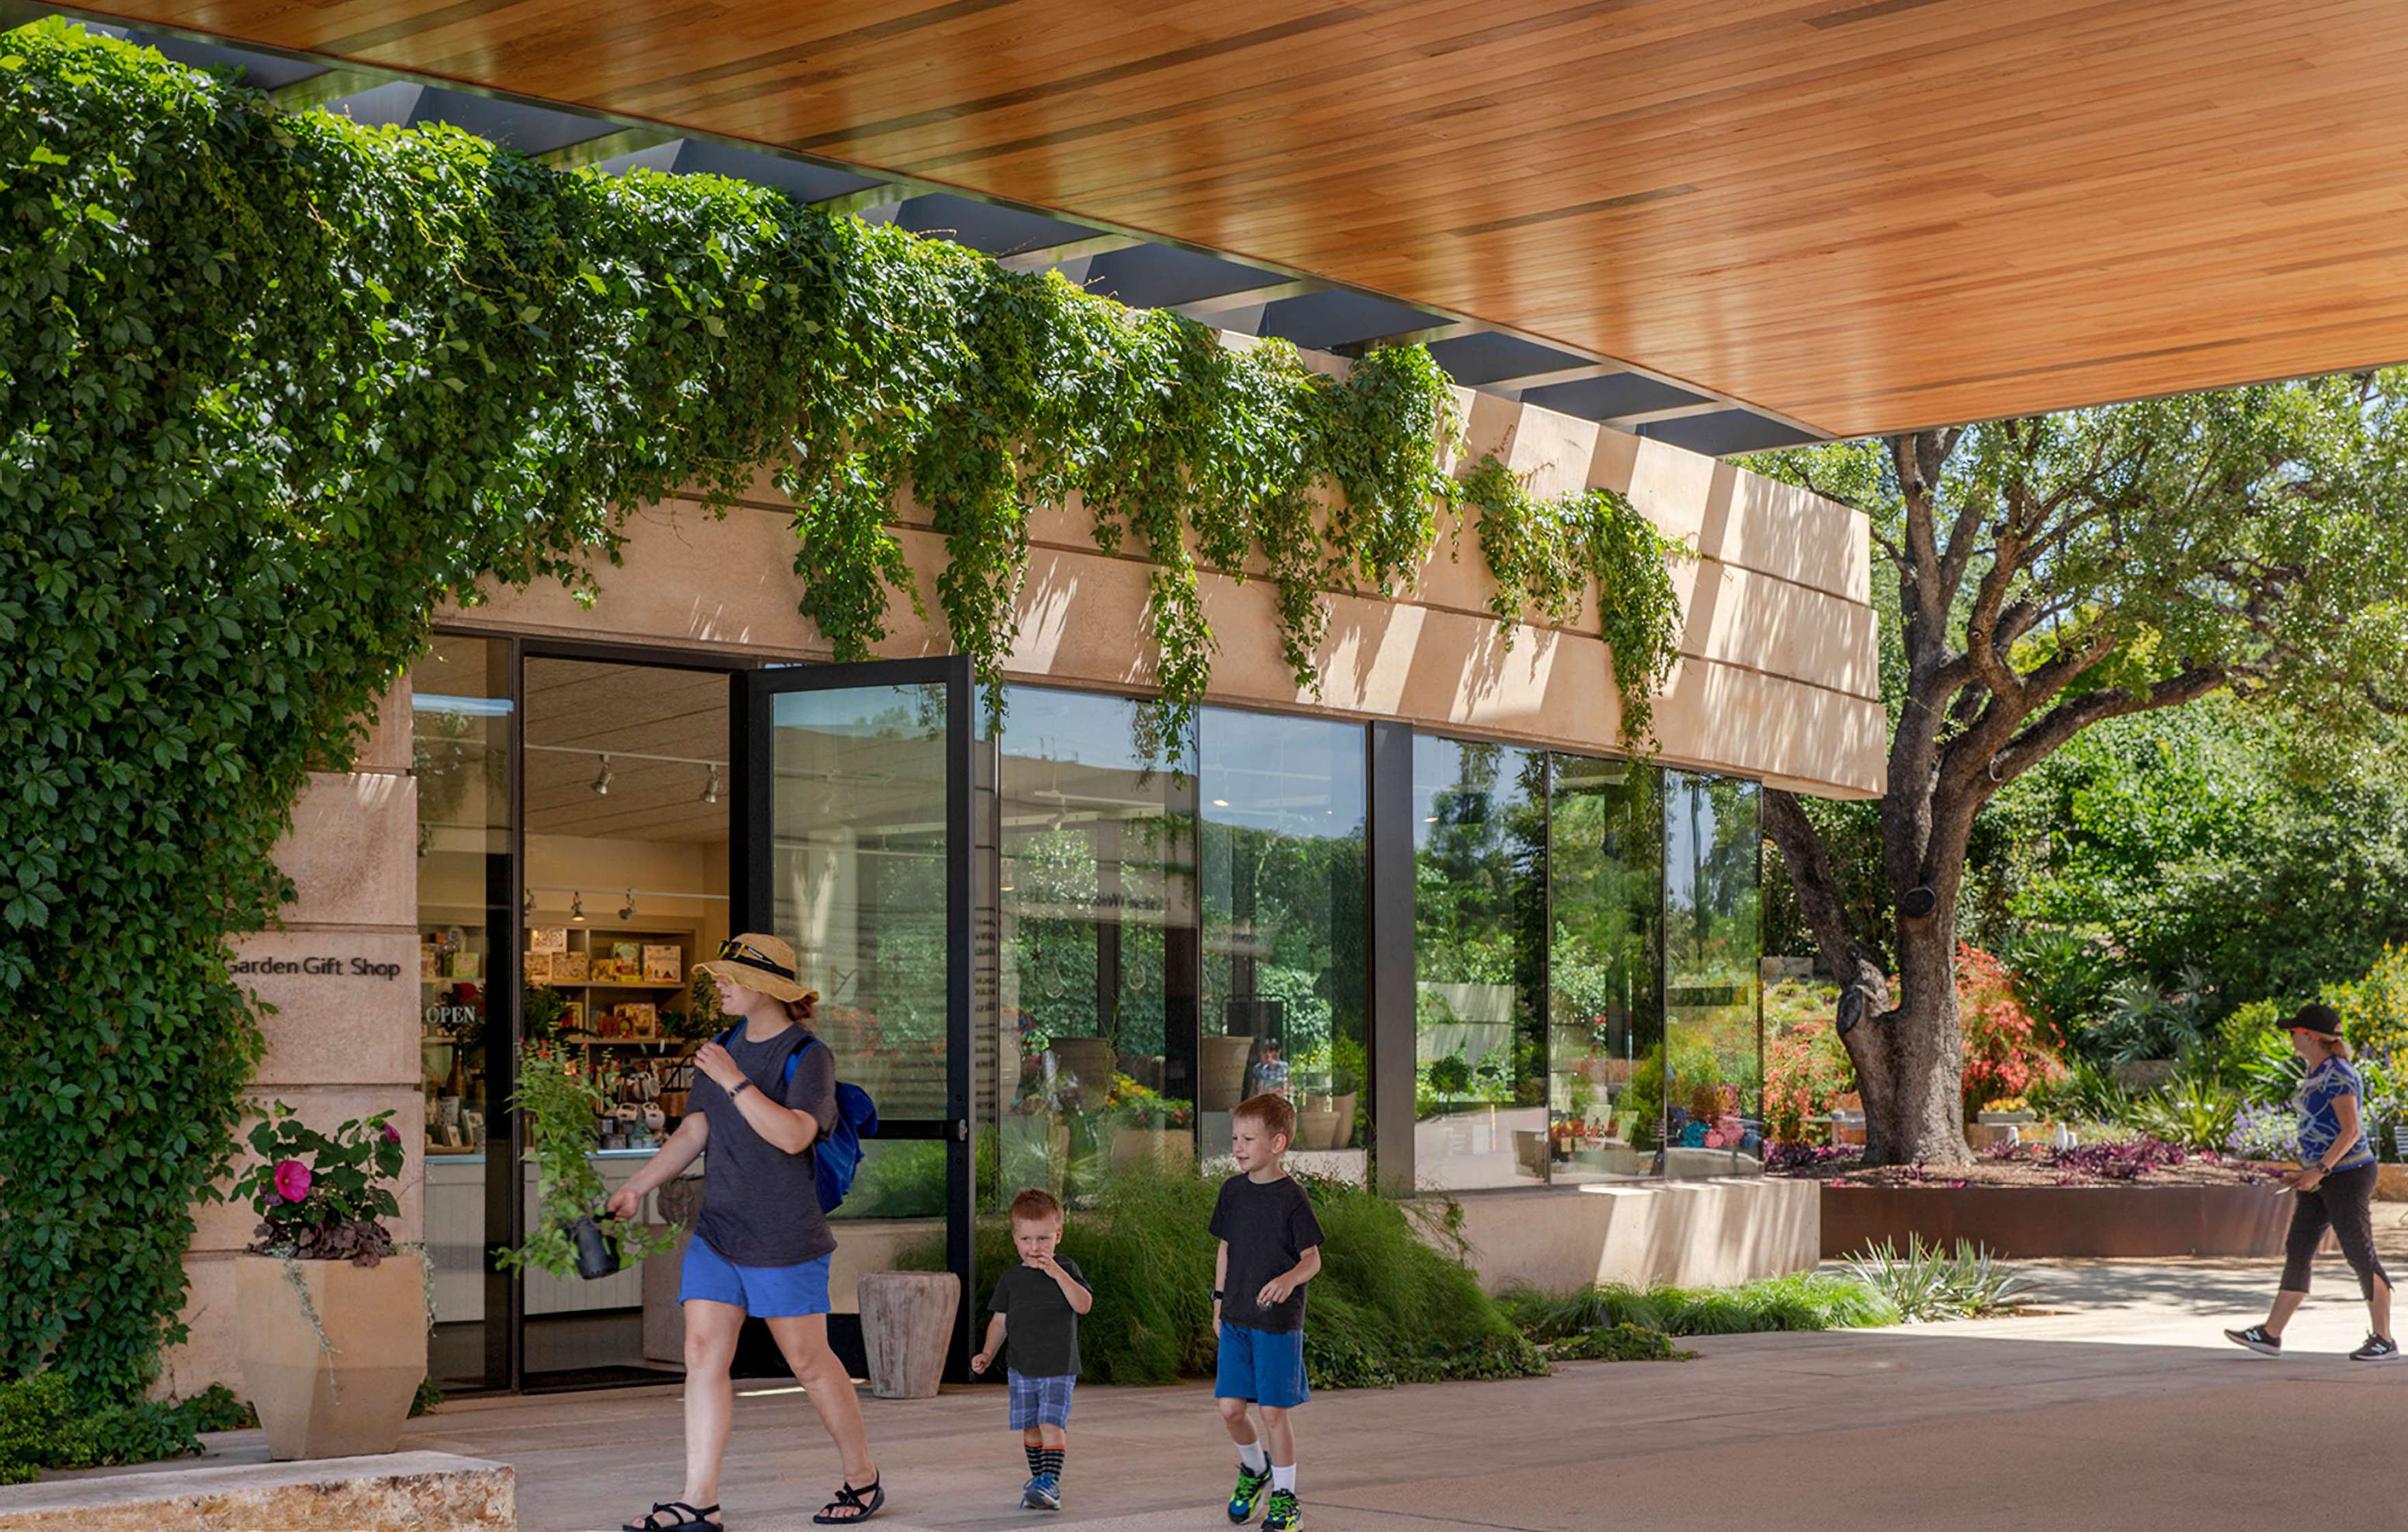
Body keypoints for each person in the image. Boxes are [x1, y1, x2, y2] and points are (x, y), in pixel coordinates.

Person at [611, 933, 885, 1531]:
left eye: (731, 976)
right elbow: (695, 1132)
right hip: (719, 1232)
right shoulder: (723, 1045)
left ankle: (862, 1478)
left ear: (766, 987)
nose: (720, 985)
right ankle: (698, 1501)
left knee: (809, 1363)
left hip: (783, 1236)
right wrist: (638, 1185)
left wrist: (736, 1079)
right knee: (703, 1354)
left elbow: (793, 1134)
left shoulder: (806, 1055)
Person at [2225, 1001, 2399, 1362]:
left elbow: (2350, 1131)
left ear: (2311, 1037)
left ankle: (2384, 1338)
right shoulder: (2318, 1071)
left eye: (2295, 1031)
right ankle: (2271, 1334)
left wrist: (2319, 1169)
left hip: (2347, 1174)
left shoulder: (2338, 1074)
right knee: (2300, 1246)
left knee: (2358, 1250)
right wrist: (2308, 1170)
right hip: (2322, 1175)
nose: (2290, 1036)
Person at [1212, 1092, 1324, 1531]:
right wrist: (1218, 1302)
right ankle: (1255, 1470)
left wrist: (1288, 1279)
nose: (1238, 1147)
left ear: (1277, 1144)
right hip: (1237, 1318)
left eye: (1248, 1139)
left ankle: (1285, 1497)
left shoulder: (1291, 1198)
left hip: (1277, 1324)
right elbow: (1225, 1248)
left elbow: (1312, 1258)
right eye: (1235, 1138)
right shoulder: (1232, 1192)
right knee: (1230, 1408)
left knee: (1274, 1412)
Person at [969, 1187, 1094, 1511]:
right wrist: (987, 1353)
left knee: (1052, 1423)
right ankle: (1039, 1480)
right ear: (1015, 1238)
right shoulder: (1011, 1279)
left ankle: (1050, 1483)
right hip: (1021, 1366)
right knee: (1030, 1426)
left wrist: (1058, 1273)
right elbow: (1000, 1322)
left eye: (1043, 1239)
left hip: (1058, 1366)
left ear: (1058, 1236)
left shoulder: (1066, 1269)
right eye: (1026, 1240)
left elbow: (1083, 1305)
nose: (1035, 1248)